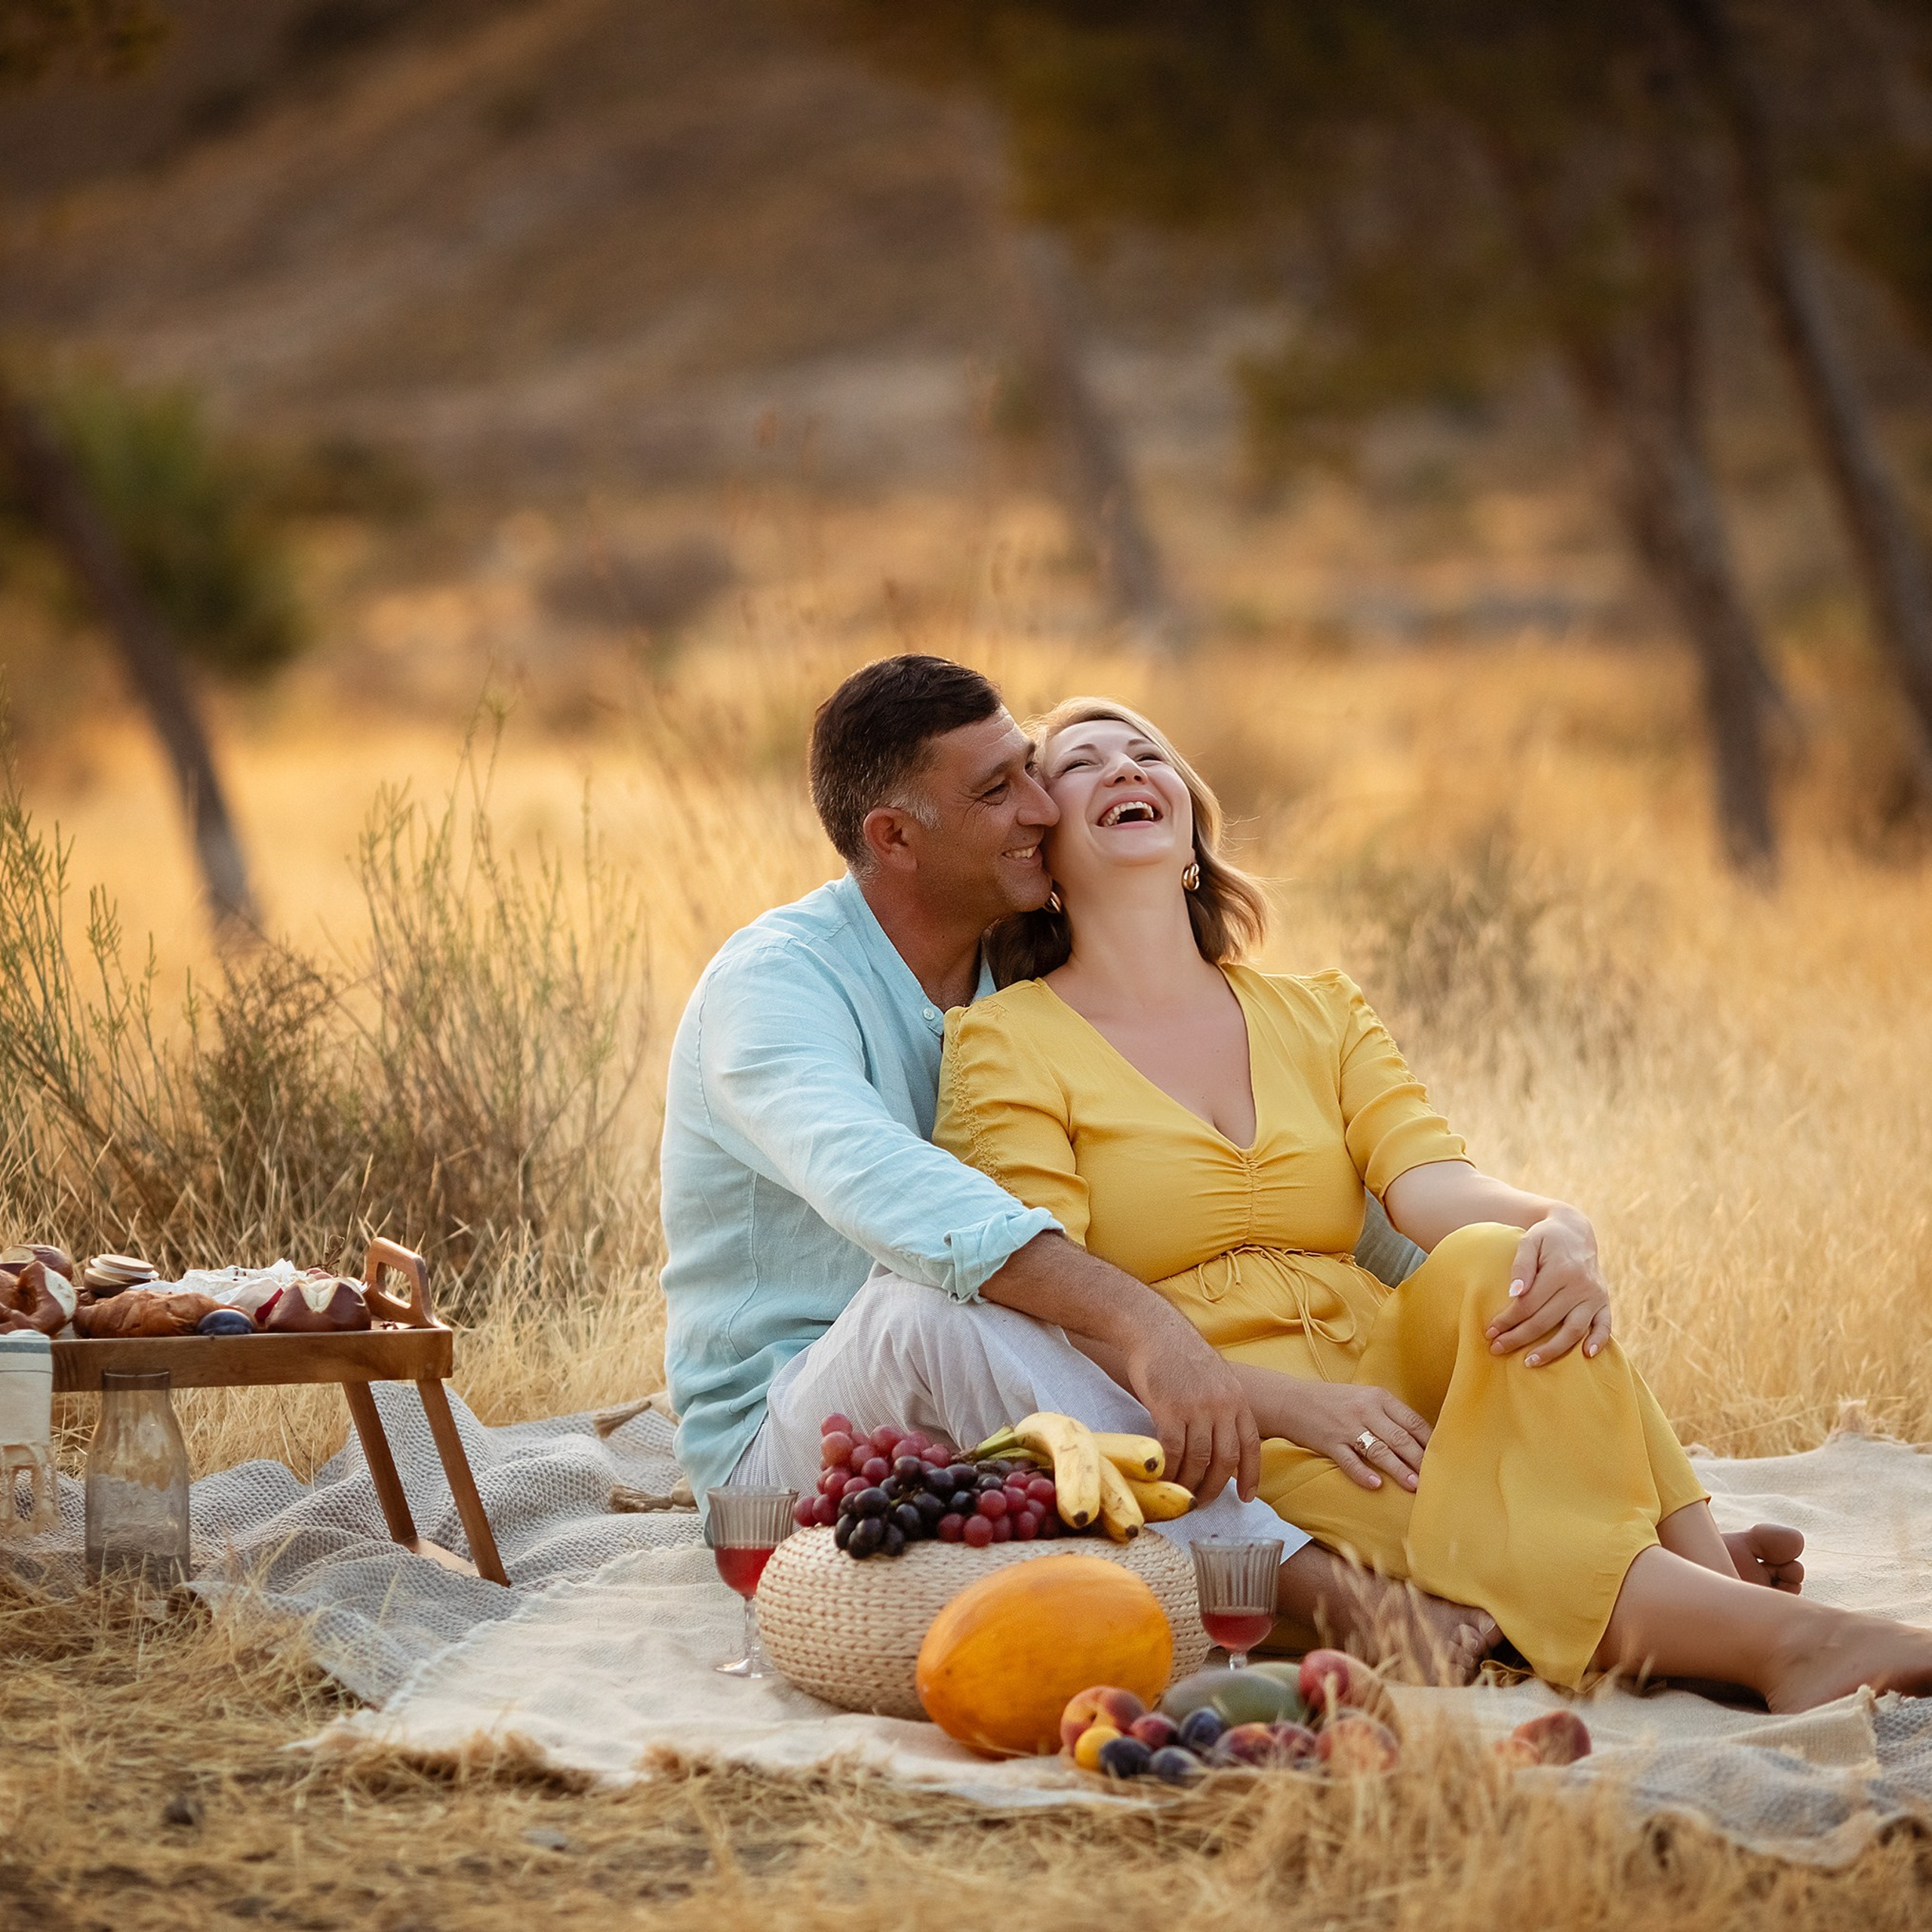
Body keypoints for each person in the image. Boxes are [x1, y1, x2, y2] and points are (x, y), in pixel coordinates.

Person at [929, 693, 1932, 1712]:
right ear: (1043, 866)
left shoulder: (1319, 1009)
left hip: (1392, 1367)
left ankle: (1699, 1599)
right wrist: (1287, 1406)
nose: (1126, 770)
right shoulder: (1004, 1044)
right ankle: (1757, 1621)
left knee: (1507, 1265)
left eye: (1147, 754)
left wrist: (1559, 1224)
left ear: (1191, 833)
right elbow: (1061, 1299)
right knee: (1480, 1517)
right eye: (1084, 764)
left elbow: (1432, 1187)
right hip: (1232, 1420)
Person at [660, 654, 1496, 1675]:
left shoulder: (1015, 980)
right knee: (935, 1311)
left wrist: (1468, 1287)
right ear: (895, 838)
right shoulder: (776, 986)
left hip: (1009, 1412)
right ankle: (1317, 1592)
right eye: (997, 789)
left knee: (1125, 1322)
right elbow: (885, 1187)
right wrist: (1153, 1332)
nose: (1041, 804)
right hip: (792, 1443)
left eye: (1029, 768)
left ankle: (1572, 1556)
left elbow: (1262, 1188)